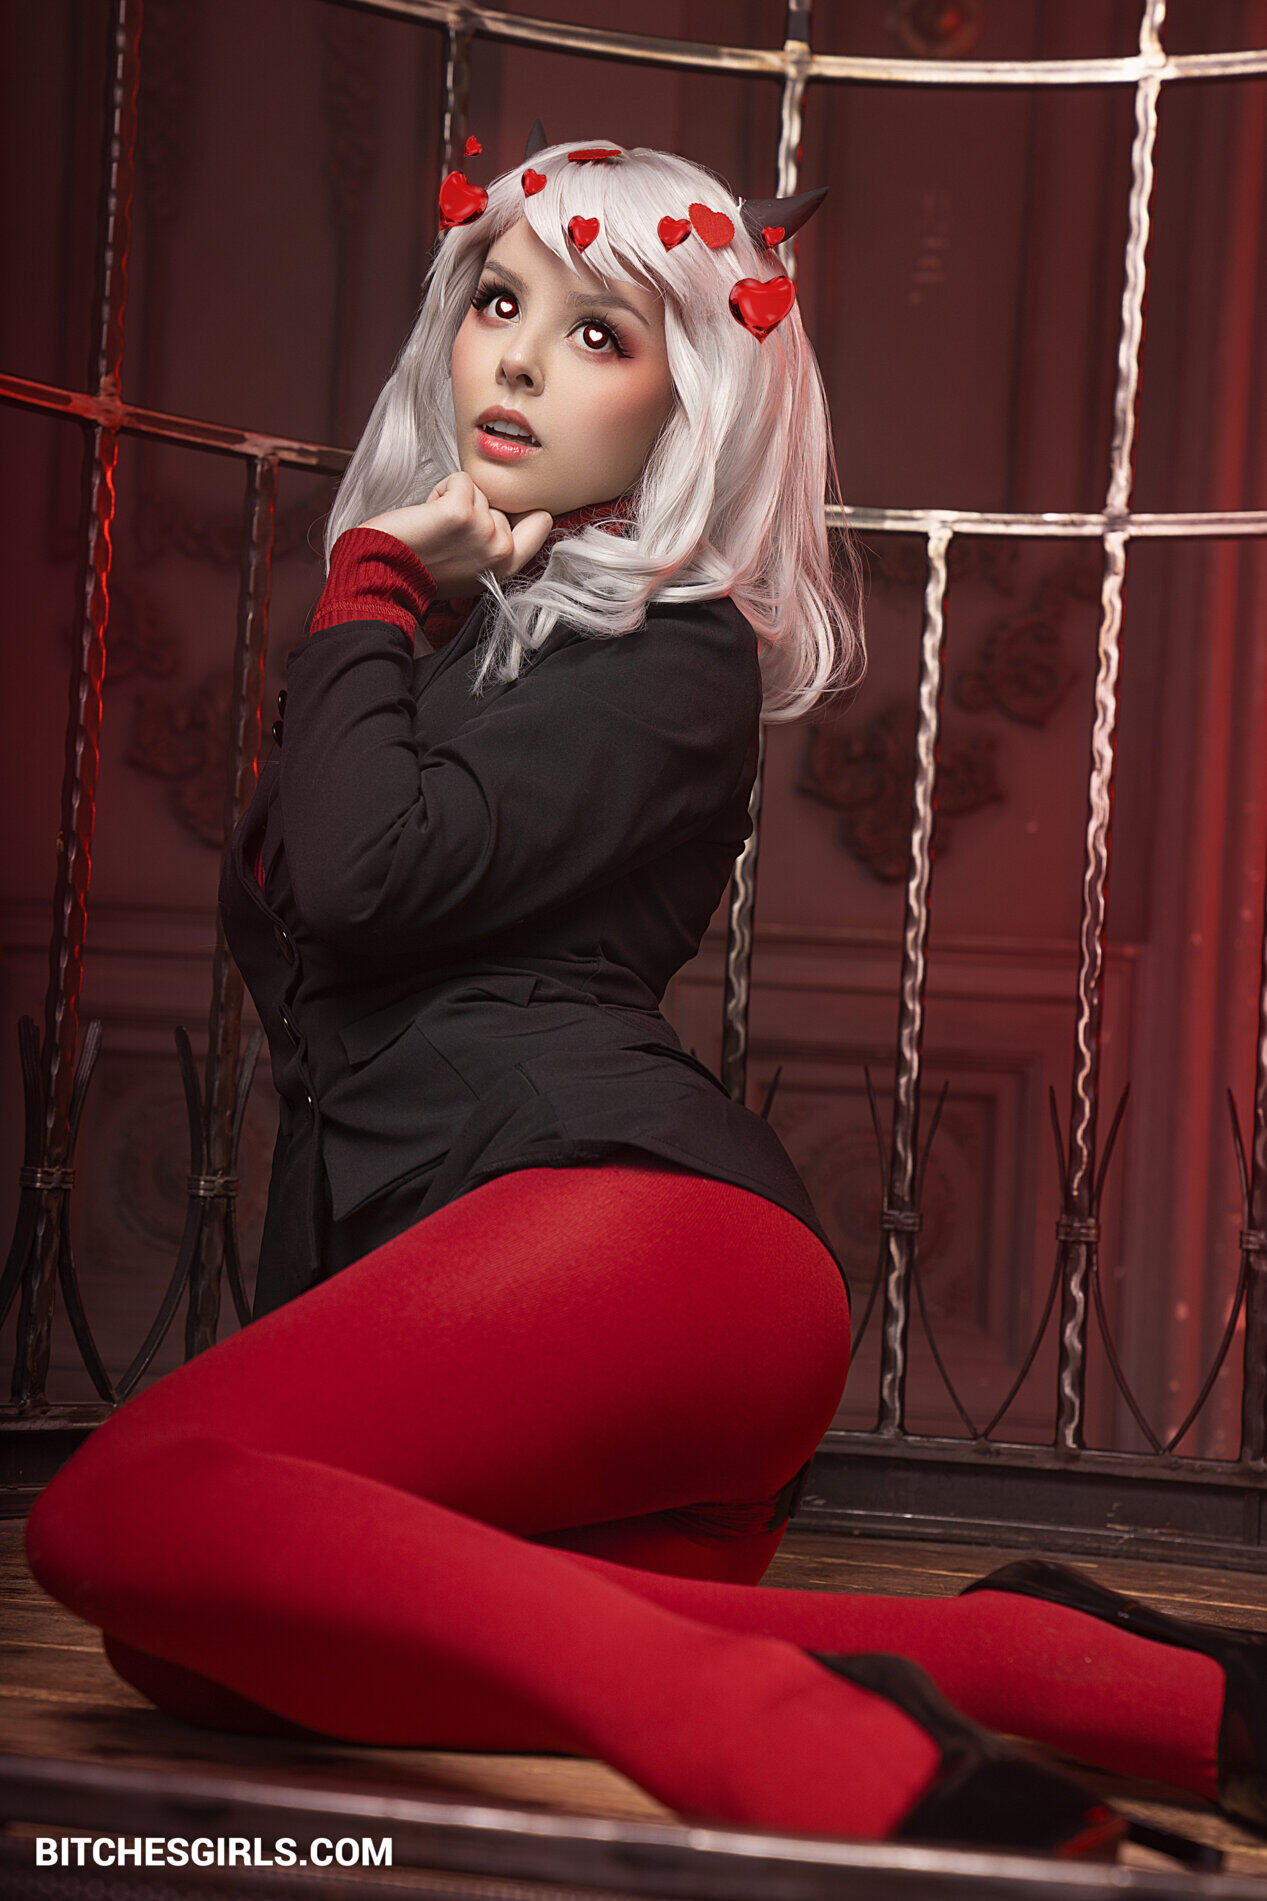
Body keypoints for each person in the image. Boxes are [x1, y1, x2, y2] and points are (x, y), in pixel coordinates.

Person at [23, 131, 1264, 1860]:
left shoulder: (671, 646)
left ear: (692, 410)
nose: (520, 360)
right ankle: (1074, 1672)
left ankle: (811, 1754)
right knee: (196, 1648)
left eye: (599, 332)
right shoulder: (456, 635)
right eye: (497, 302)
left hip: (646, 1246)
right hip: (514, 1275)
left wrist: (366, 578)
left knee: (112, 1508)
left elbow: (361, 878)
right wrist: (400, 608)